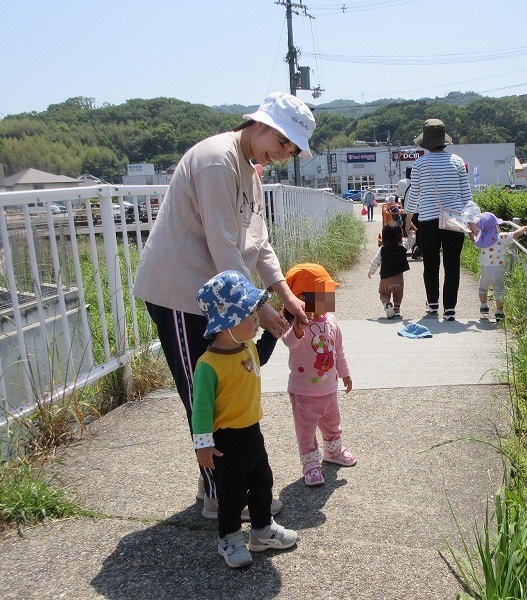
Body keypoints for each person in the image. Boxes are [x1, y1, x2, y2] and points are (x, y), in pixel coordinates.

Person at [132, 91, 314, 518]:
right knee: (206, 396)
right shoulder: (217, 158)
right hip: (181, 293)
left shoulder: (250, 169)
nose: (284, 154)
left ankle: (217, 486)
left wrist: (284, 294)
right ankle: (224, 497)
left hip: (217, 297)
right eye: (283, 142)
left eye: (291, 149)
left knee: (227, 392)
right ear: (261, 123)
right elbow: (222, 245)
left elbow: (258, 243)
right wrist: (258, 309)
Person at [193, 270, 298, 569]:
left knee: (263, 480)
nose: (256, 319)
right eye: (249, 315)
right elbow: (201, 410)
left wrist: (283, 323)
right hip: (226, 442)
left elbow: (262, 353)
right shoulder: (208, 365)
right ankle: (228, 537)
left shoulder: (246, 345)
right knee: (232, 493)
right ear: (225, 324)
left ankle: (262, 531)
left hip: (253, 432)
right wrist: (203, 445)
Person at [281, 263, 356, 487]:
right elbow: (288, 342)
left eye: (329, 294)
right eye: (322, 294)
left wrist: (345, 373)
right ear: (300, 297)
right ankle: (311, 463)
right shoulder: (297, 323)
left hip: (329, 387)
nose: (328, 299)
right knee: (306, 430)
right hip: (303, 391)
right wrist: (297, 329)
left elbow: (338, 349)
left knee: (333, 422)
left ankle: (333, 451)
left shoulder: (331, 321)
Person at [404, 119, 473, 321]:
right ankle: (450, 308)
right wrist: (472, 221)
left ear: (425, 141)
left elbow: (414, 194)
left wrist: (408, 219)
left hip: (427, 220)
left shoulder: (419, 164)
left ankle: (433, 304)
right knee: (452, 264)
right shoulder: (458, 162)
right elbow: (466, 196)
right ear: (444, 140)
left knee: (431, 264)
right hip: (454, 220)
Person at [473, 212, 527, 321]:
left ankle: (484, 305)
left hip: (485, 270)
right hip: (498, 271)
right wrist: (524, 228)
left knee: (482, 288)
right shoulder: (502, 237)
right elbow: (515, 234)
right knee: (499, 291)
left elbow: (474, 238)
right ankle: (499, 312)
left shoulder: (481, 239)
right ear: (496, 226)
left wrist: (470, 232)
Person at [367, 221, 416, 318]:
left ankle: (386, 304)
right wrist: (412, 232)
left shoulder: (382, 249)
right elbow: (411, 241)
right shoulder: (402, 247)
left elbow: (375, 262)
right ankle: (397, 309)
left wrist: (370, 272)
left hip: (385, 279)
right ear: (400, 236)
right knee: (398, 295)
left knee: (384, 294)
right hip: (399, 279)